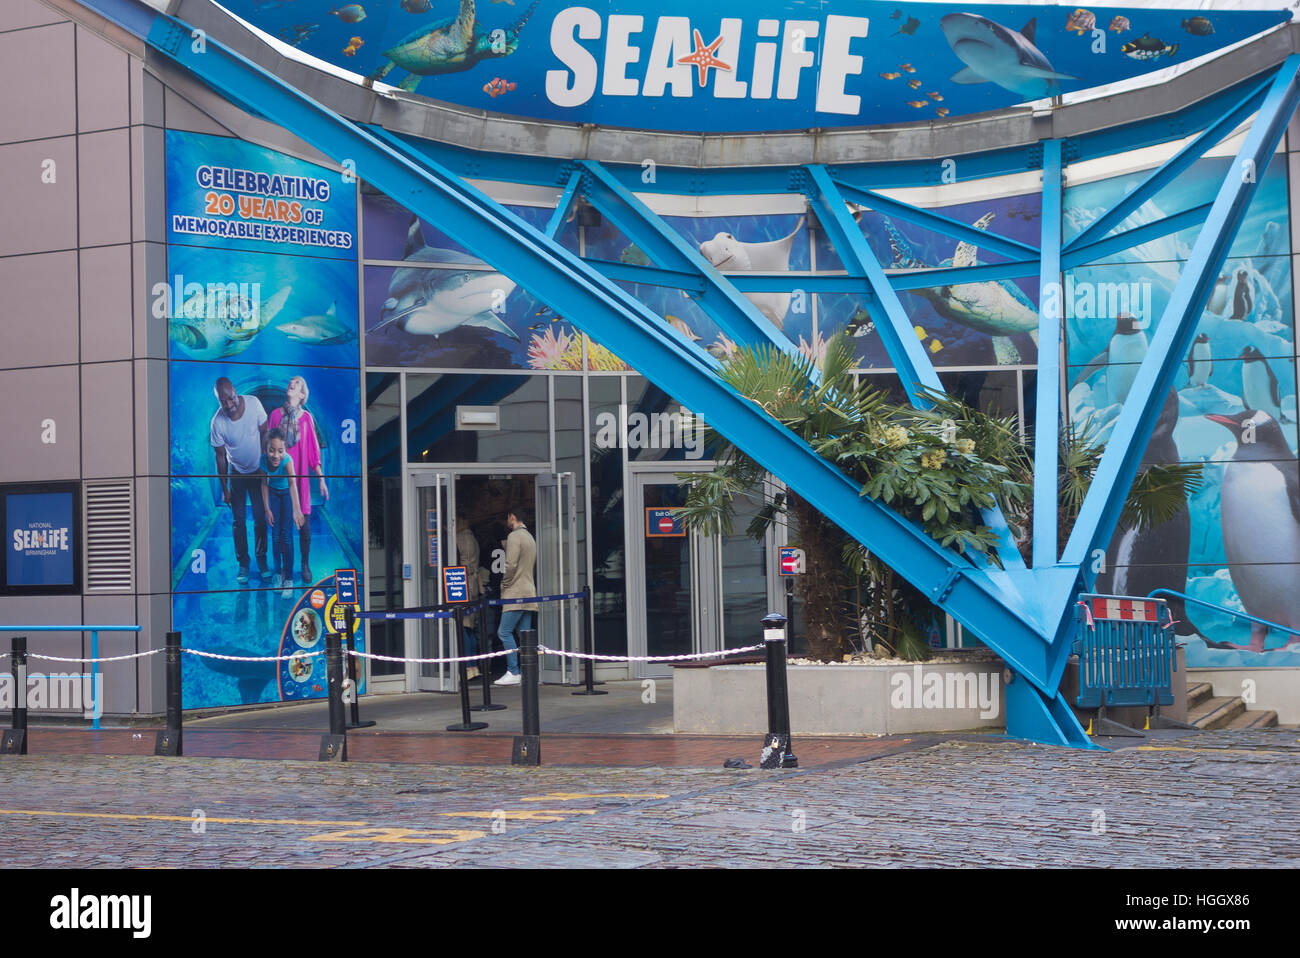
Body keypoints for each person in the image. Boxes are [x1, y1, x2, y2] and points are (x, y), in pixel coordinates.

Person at [267, 375, 327, 585]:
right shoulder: (275, 415)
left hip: (299, 481)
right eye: (290, 381)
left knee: (305, 527)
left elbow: (313, 452)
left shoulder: (307, 418)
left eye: (298, 383)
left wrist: (321, 478)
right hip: (280, 480)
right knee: (282, 529)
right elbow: (268, 449)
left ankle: (305, 564)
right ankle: (284, 567)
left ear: (302, 395)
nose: (292, 383)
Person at [211, 377, 268, 584]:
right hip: (236, 474)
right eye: (222, 402)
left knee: (261, 519)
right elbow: (219, 457)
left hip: (256, 472)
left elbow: (265, 430)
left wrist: (264, 463)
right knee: (239, 522)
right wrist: (225, 488)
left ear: (236, 391)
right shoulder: (217, 422)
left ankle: (262, 561)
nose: (228, 404)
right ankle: (243, 563)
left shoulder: (253, 403)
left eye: (230, 398)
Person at [494, 504, 536, 687]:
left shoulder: (514, 536)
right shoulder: (529, 537)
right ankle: (527, 671)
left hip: (515, 591)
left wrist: (505, 583)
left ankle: (513, 670)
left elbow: (510, 564)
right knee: (524, 634)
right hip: (529, 591)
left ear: (512, 517)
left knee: (503, 632)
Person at [261, 428, 304, 599]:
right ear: (266, 449)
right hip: (273, 494)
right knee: (275, 536)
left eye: (280, 450)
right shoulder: (263, 461)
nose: (276, 455)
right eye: (272, 450)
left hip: (286, 494)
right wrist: (267, 509)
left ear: (285, 450)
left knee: (286, 536)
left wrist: (297, 510)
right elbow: (264, 484)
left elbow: (293, 485)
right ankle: (277, 574)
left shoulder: (287, 461)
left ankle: (289, 578)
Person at [455, 511, 484, 680]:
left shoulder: (459, 539)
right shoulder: (472, 538)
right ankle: (474, 666)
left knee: (464, 626)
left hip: (463, 582)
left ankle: (466, 668)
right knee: (471, 627)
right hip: (474, 583)